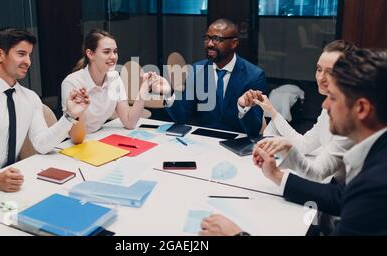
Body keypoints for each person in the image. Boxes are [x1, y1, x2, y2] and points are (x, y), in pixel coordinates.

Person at [201, 49, 387, 236]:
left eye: (333, 98)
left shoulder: (376, 184)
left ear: (361, 108)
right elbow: (340, 197)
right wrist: (276, 175)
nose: (324, 105)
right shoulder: (376, 154)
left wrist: (237, 235)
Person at [0, 28, 89, 193]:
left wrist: (70, 116)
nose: (28, 61)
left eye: (29, 55)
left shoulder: (29, 97)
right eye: (21, 54)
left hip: (9, 181)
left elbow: (42, 144)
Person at [252, 41, 356, 182]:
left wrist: (284, 155)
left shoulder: (351, 120)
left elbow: (318, 173)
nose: (320, 78)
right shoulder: (328, 110)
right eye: (319, 69)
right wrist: (271, 110)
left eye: (330, 72)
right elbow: (304, 144)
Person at [61, 29, 170, 144]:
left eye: (115, 51)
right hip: (73, 144)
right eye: (106, 52)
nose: (113, 56)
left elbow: (129, 122)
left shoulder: (114, 78)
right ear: (90, 54)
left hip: (97, 138)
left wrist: (145, 88)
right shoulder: (72, 83)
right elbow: (76, 138)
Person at [165, 19, 267, 136]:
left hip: (237, 142)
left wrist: (244, 108)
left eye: (216, 39)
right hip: (202, 141)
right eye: (207, 38)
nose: (209, 44)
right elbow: (182, 116)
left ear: (234, 43)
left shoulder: (254, 76)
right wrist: (169, 94)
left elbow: (254, 128)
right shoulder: (197, 69)